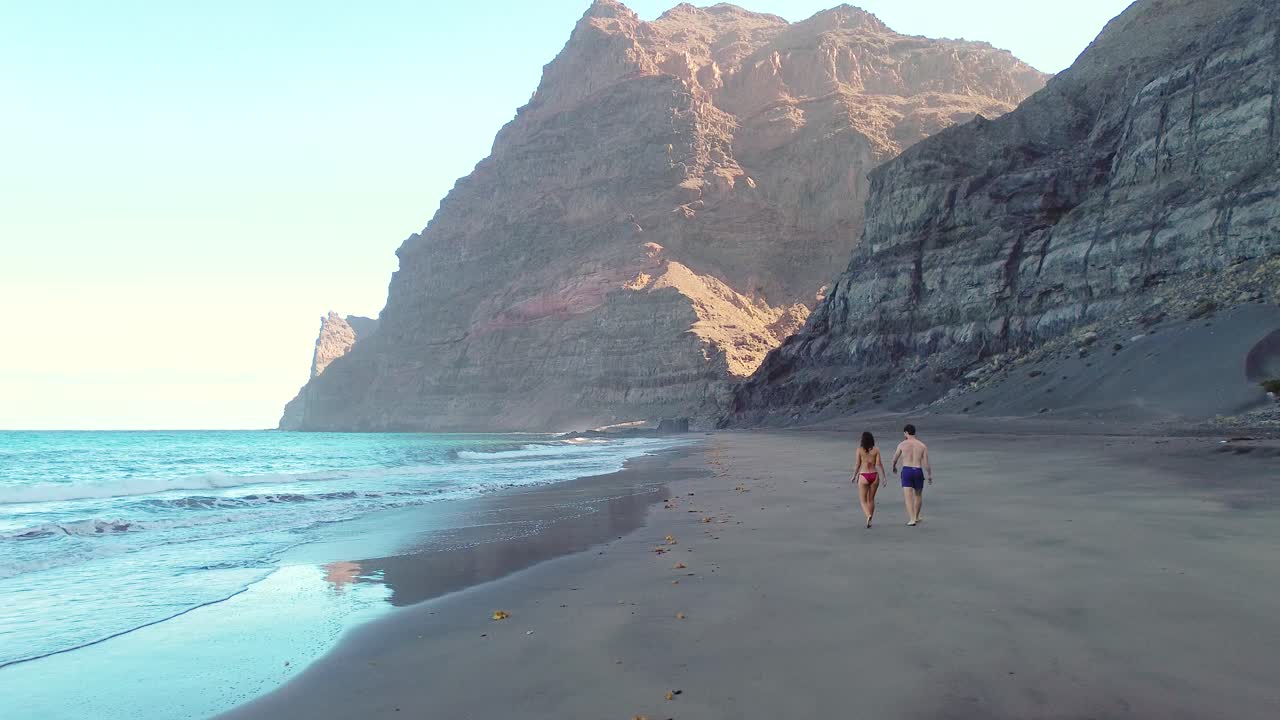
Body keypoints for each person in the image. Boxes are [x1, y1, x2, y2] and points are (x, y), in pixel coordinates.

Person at [890, 424, 932, 526]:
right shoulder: (922, 445)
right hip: (918, 470)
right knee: (918, 495)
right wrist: (929, 475)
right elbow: (926, 463)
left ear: (906, 433)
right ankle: (916, 516)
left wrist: (894, 467)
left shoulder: (902, 444)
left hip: (907, 471)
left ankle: (912, 518)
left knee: (908, 497)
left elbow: (895, 458)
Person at [852, 431, 887, 528]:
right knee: (871, 499)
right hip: (874, 475)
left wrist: (854, 476)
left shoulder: (859, 450)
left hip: (864, 475)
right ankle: (870, 520)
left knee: (863, 500)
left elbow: (857, 464)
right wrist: (884, 477)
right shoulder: (876, 450)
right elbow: (879, 464)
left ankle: (868, 515)